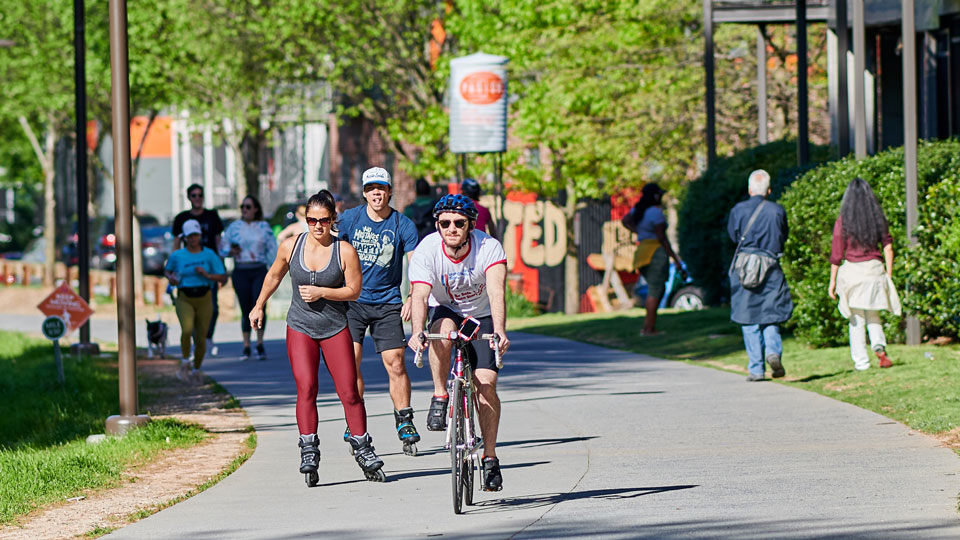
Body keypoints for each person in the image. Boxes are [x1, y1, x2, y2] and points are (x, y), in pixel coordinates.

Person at [248, 190, 386, 482]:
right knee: (307, 388)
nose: (317, 226)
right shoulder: (290, 246)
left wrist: (323, 292)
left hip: (335, 327)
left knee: (349, 391)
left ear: (333, 219)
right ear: (305, 219)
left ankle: (362, 445)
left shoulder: (344, 250)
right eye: (312, 220)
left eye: (323, 220)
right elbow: (274, 275)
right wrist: (259, 305)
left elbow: (354, 291)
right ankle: (308, 446)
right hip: (300, 326)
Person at [408, 194, 510, 491]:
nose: (451, 228)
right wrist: (417, 332)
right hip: (447, 309)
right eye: (445, 223)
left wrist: (500, 331)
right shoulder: (427, 249)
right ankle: (440, 395)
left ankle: (489, 459)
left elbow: (496, 292)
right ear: (437, 225)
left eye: (459, 223)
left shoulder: (488, 247)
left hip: (482, 315)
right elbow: (419, 295)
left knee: (485, 384)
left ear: (471, 225)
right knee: (441, 330)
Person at [338, 167, 422, 454]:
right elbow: (328, 247)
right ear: (364, 193)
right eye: (371, 188)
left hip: (387, 302)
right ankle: (355, 421)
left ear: (389, 192)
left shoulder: (403, 224)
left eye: (381, 188)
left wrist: (413, 295)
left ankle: (404, 419)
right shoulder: (349, 219)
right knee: (351, 362)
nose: (376, 192)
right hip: (352, 302)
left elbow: (416, 263)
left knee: (396, 362)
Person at [727, 170, 793, 381]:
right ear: (769, 190)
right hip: (770, 265)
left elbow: (733, 235)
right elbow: (783, 236)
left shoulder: (738, 210)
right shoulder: (777, 210)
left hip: (745, 267)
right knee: (770, 313)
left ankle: (756, 369)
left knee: (748, 318)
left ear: (749, 189)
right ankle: (773, 352)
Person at [828, 178, 901, 370]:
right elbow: (888, 247)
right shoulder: (878, 218)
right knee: (873, 314)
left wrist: (832, 282)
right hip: (874, 270)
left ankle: (861, 362)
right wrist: (888, 274)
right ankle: (879, 345)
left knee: (856, 319)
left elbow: (836, 254)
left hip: (853, 273)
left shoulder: (843, 221)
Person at [164, 219, 227, 384]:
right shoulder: (177, 256)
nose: (193, 239)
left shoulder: (208, 254)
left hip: (204, 296)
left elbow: (222, 276)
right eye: (190, 236)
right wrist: (172, 279)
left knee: (201, 337)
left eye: (196, 235)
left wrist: (207, 275)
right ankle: (185, 361)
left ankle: (197, 369)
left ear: (200, 236)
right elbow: (168, 271)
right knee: (187, 329)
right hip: (185, 296)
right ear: (185, 237)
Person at [221, 195, 278, 361]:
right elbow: (223, 246)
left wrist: (274, 269)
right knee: (245, 307)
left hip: (259, 269)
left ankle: (260, 343)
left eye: (248, 207)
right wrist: (230, 252)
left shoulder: (263, 226)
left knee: (259, 304)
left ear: (255, 209)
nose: (244, 210)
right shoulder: (234, 227)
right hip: (241, 269)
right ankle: (246, 345)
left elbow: (272, 249)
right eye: (242, 207)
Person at [623, 183, 683, 335]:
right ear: (656, 196)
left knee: (654, 289)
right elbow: (662, 238)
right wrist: (675, 259)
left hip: (642, 252)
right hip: (655, 252)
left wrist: (638, 231)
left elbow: (625, 220)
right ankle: (649, 328)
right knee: (656, 290)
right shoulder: (655, 213)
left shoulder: (639, 210)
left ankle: (649, 326)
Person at [172, 184, 225, 356]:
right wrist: (174, 267)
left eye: (200, 195)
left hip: (209, 265)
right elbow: (176, 244)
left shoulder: (212, 216)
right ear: (189, 197)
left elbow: (218, 242)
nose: (197, 198)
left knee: (213, 307)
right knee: (191, 308)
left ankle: (206, 337)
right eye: (194, 195)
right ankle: (198, 339)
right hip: (188, 268)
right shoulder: (182, 218)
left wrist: (221, 267)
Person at [404, 178, 438, 242]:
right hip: (434, 242)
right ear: (429, 189)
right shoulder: (437, 206)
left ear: (416, 191)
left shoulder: (409, 210)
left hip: (416, 245)